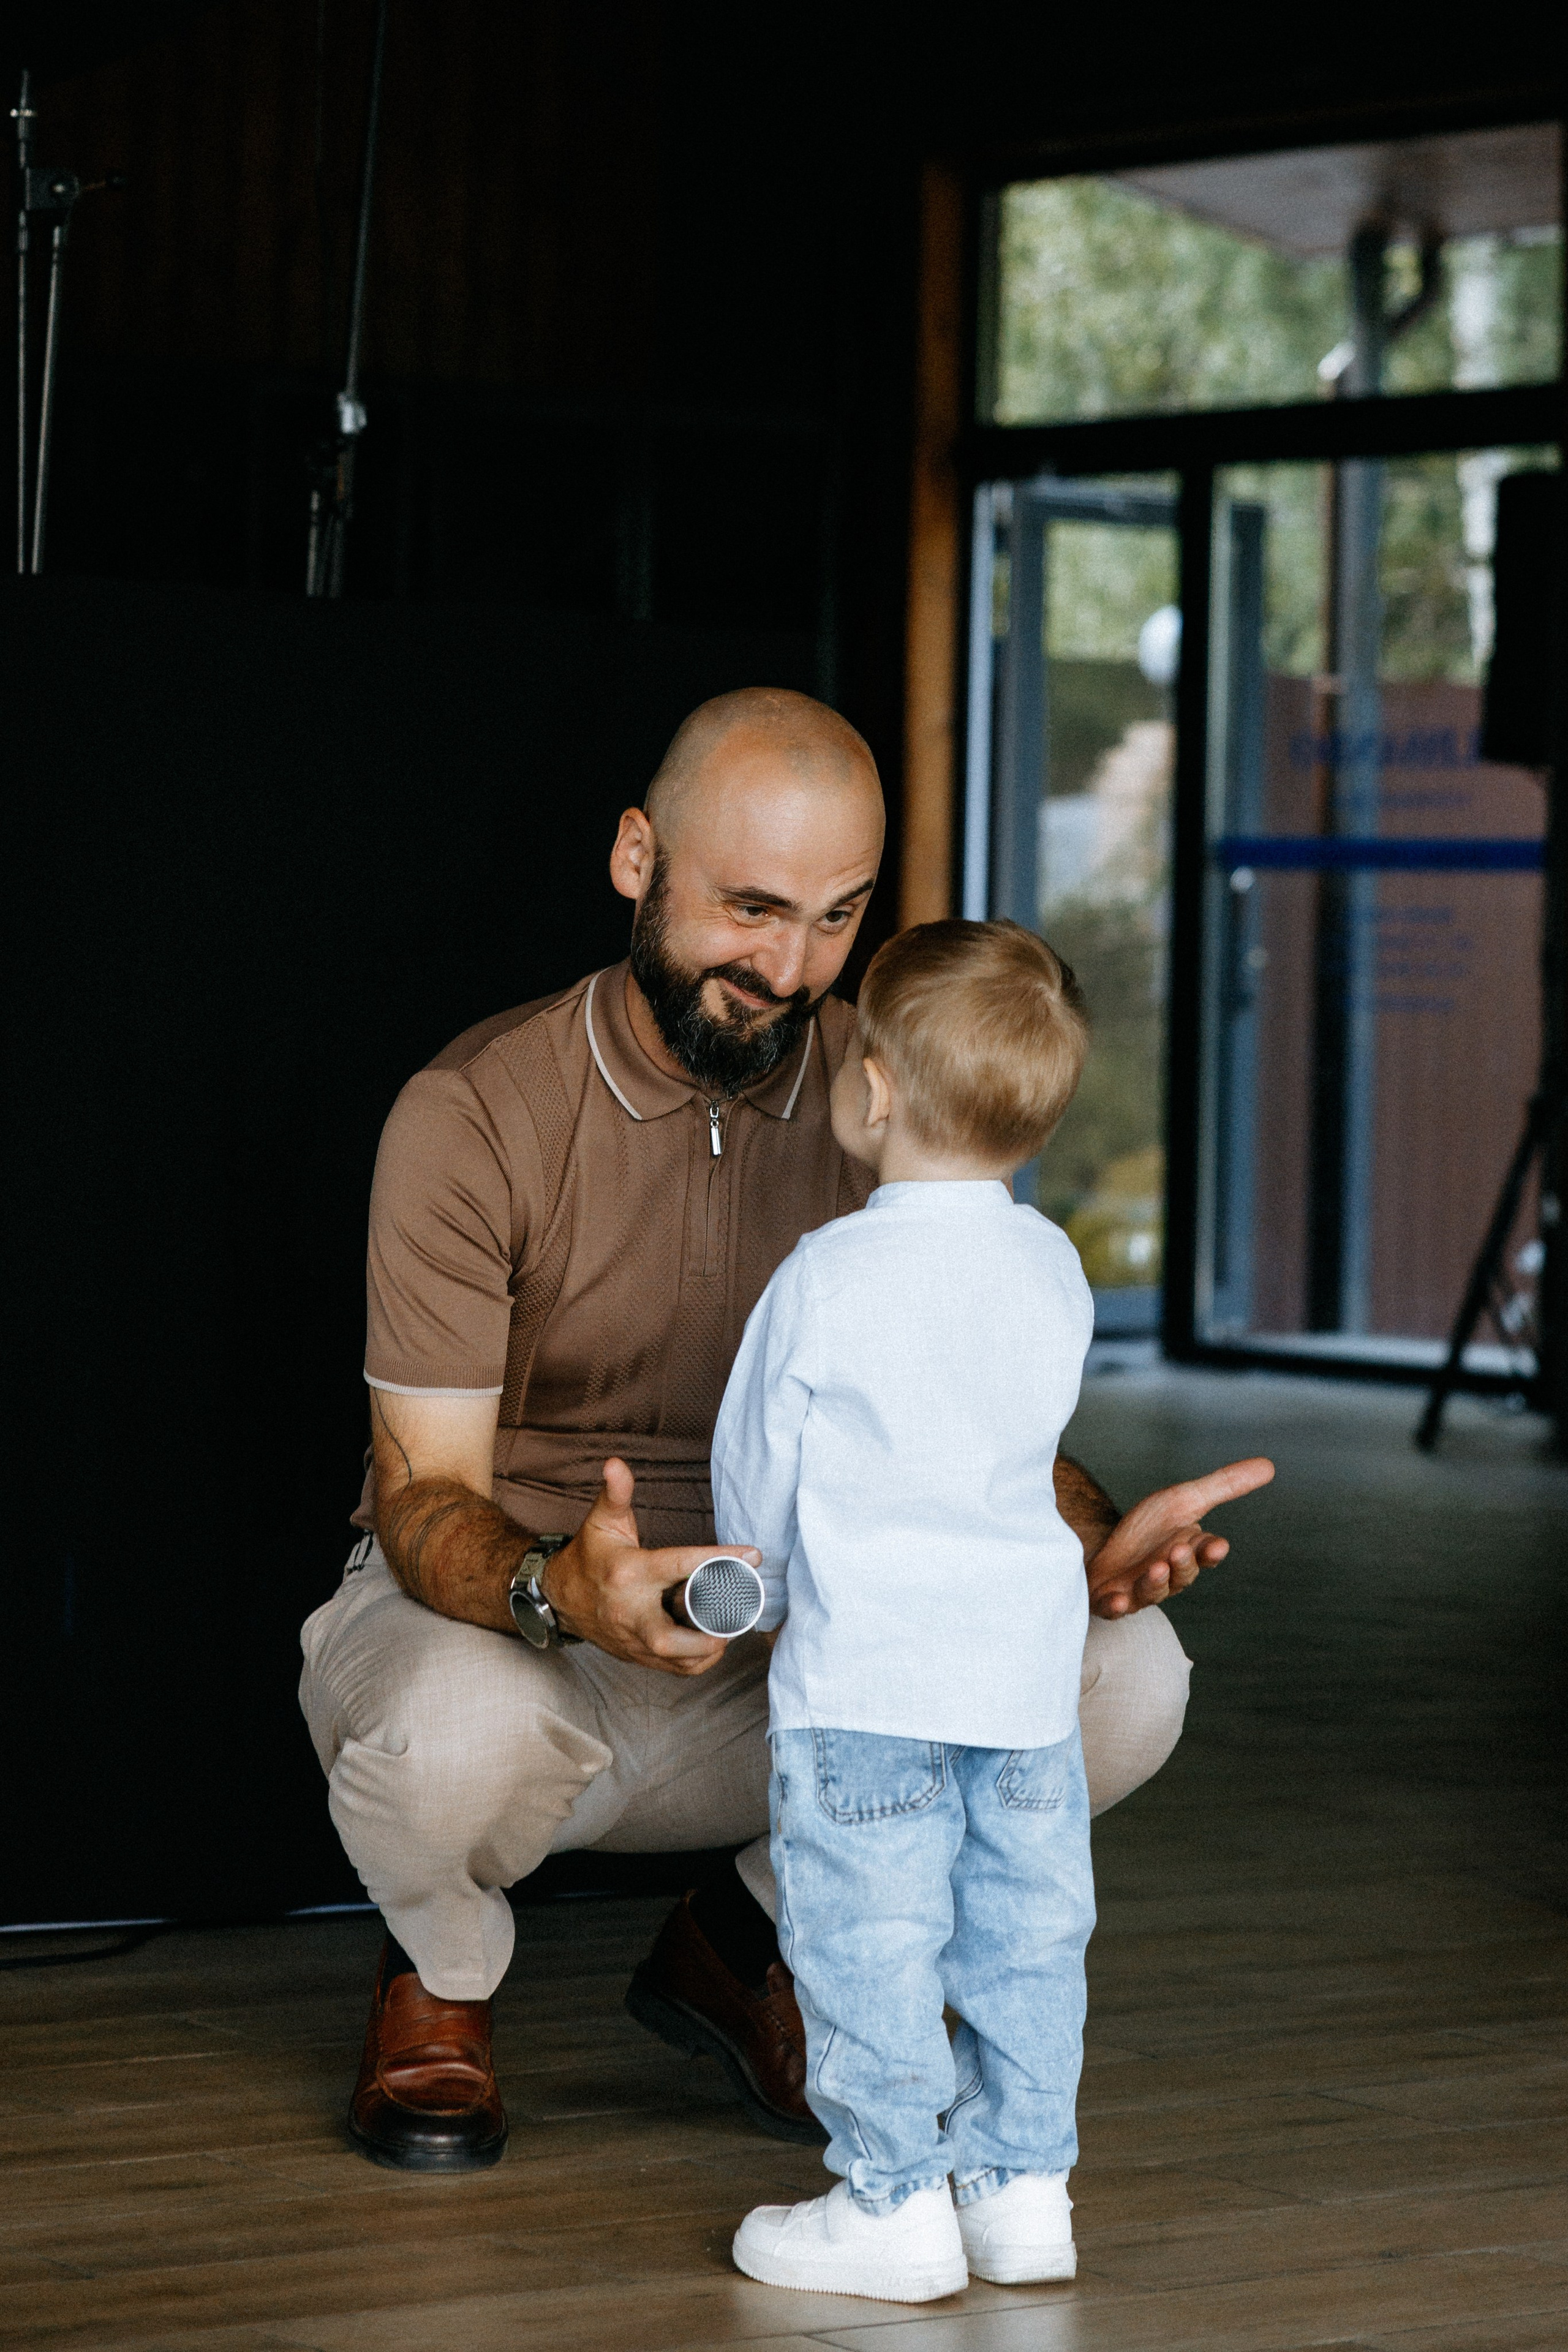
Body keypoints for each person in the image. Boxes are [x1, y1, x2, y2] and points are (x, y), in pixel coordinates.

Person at [298, 686, 1271, 2174]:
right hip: (536, 1627)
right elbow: (421, 1492)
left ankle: (747, 1936)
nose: (790, 968)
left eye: (836, 918)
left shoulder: (889, 1095)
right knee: (443, 1736)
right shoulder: (474, 1112)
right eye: (748, 909)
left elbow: (978, 1418)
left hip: (817, 1634)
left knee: (1123, 1680)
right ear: (637, 860)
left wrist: (1077, 1537)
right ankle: (439, 1974)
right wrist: (565, 1587)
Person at [721, 921, 1270, 2302]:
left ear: (874, 1089)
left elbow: (755, 1483)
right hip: (1022, 1697)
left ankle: (891, 2203)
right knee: (1022, 1938)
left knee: (870, 1940)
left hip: (865, 1693)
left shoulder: (823, 1277)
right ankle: (1023, 2189)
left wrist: (759, 1595)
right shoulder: (1050, 1272)